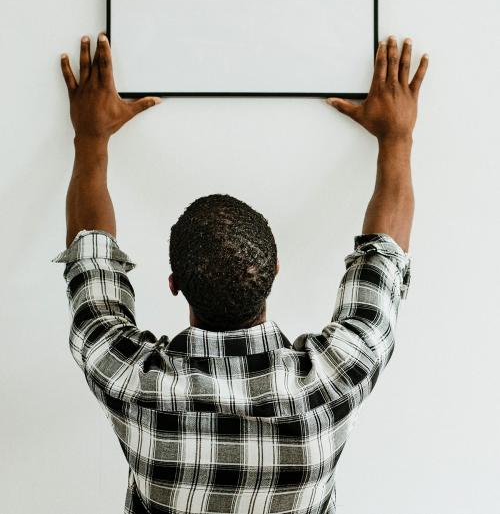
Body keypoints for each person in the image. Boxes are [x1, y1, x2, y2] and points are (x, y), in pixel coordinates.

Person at [52, 33, 428, 514]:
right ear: (275, 272)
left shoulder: (132, 382)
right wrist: (397, 136)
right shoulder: (331, 382)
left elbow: (91, 258)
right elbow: (385, 257)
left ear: (174, 285)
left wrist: (90, 136)